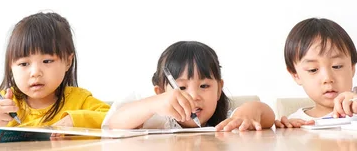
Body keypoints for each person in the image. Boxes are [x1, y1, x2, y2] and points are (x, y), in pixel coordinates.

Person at [0, 12, 109, 129]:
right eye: (23, 64)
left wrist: (74, 120)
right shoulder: (7, 103)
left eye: (47, 61)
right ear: (11, 67)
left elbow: (116, 119)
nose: (35, 72)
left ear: (68, 61)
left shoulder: (79, 100)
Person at [103, 40, 275, 131]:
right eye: (182, 88)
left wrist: (249, 112)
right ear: (161, 93)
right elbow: (115, 123)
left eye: (204, 86)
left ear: (218, 90)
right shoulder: (155, 120)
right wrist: (153, 104)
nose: (194, 96)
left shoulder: (226, 123)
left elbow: (266, 114)